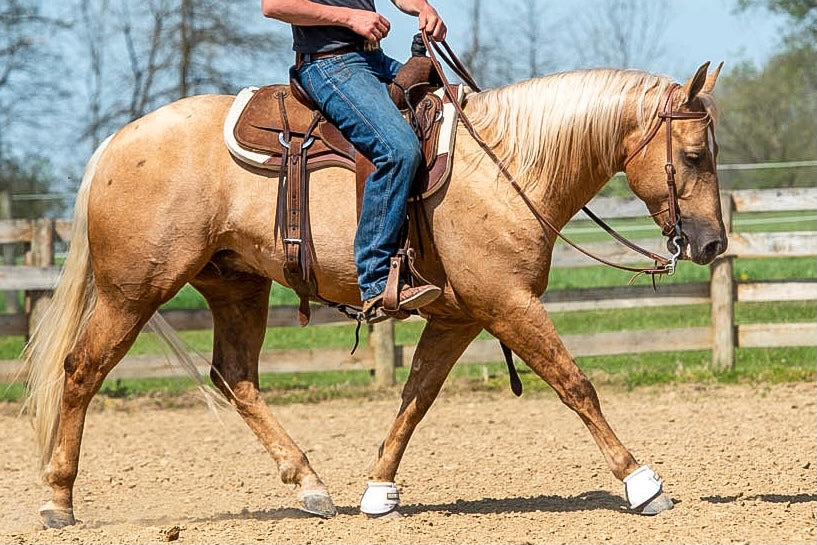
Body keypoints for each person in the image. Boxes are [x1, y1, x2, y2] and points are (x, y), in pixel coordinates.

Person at [261, 0, 446, 322]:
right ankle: (376, 283)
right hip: (329, 65)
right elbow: (274, 5)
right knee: (397, 149)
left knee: (452, 111)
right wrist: (351, 18)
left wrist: (423, 9)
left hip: (372, 59)